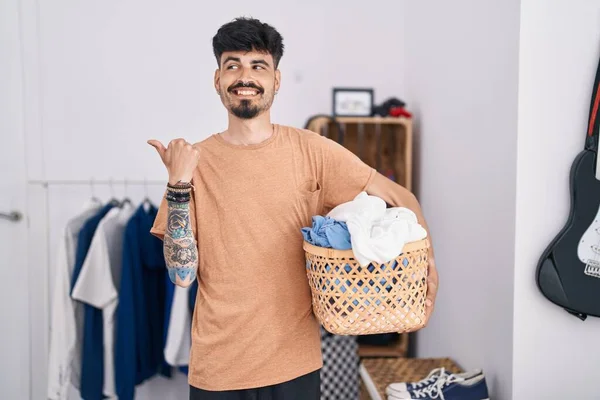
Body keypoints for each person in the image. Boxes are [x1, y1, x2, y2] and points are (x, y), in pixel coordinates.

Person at [147, 16, 439, 400]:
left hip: (295, 365)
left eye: (258, 66)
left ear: (276, 80)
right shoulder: (194, 162)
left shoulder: (312, 151)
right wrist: (179, 185)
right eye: (232, 64)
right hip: (218, 369)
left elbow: (400, 198)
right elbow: (182, 275)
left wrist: (428, 268)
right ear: (217, 80)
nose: (244, 76)